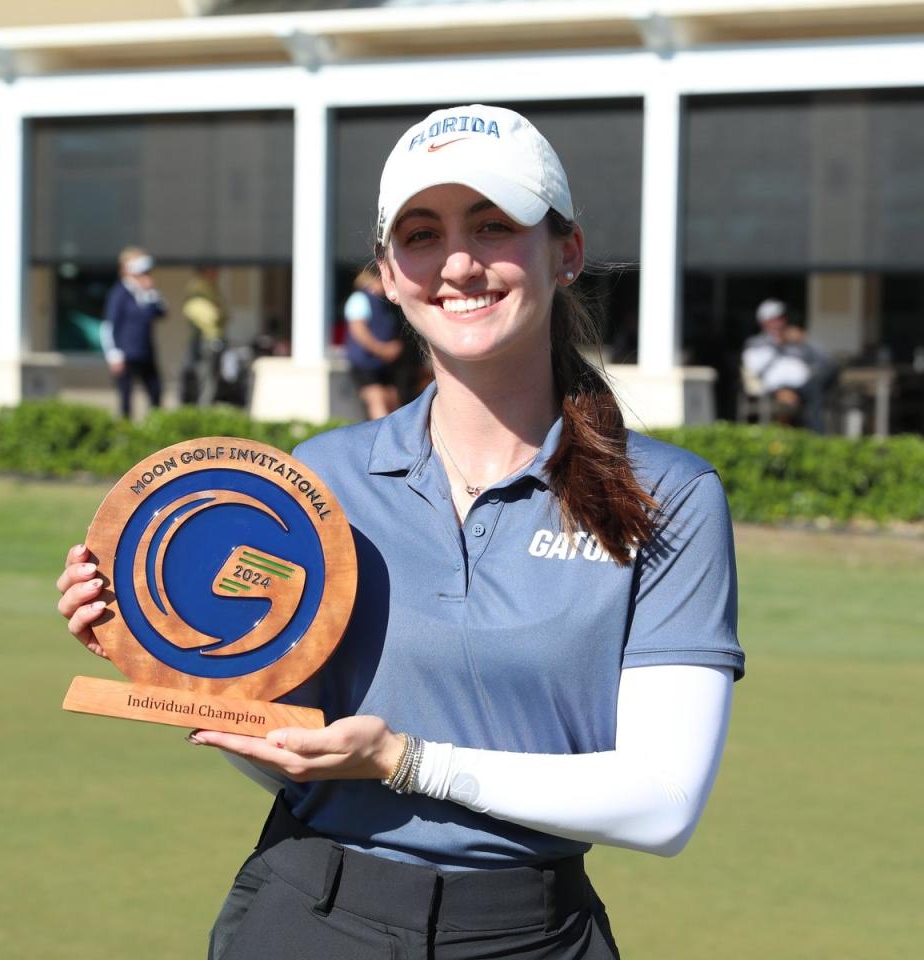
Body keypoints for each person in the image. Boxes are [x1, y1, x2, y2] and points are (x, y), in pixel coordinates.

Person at [58, 104, 745, 960]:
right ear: (387, 272)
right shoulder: (316, 480)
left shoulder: (667, 495)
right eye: (421, 235)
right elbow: (294, 751)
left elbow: (663, 802)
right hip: (307, 911)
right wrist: (165, 657)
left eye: (493, 226)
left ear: (565, 252)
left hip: (529, 935)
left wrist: (408, 760)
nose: (458, 262)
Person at [742, 298, 835, 430]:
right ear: (764, 322)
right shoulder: (756, 343)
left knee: (825, 378)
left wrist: (805, 340)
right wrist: (777, 345)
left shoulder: (796, 342)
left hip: (806, 384)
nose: (781, 322)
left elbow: (825, 360)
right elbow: (757, 372)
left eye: (782, 318)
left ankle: (815, 436)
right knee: (812, 395)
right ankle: (815, 435)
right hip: (775, 389)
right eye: (776, 319)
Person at [101, 247, 167, 418]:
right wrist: (114, 355)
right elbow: (108, 326)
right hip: (126, 354)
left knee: (155, 392)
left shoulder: (146, 293)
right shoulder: (120, 293)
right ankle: (125, 432)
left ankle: (155, 427)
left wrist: (150, 293)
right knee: (126, 398)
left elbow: (161, 312)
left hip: (145, 352)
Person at [343, 263, 404, 419]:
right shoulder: (359, 299)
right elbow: (358, 331)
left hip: (384, 364)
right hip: (365, 363)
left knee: (392, 400)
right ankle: (383, 441)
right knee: (376, 400)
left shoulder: (386, 304)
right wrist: (381, 349)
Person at [180, 265, 228, 406]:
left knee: (211, 378)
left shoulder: (211, 287)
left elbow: (225, 314)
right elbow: (212, 316)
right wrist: (217, 311)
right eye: (214, 269)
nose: (217, 273)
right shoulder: (198, 289)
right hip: (205, 340)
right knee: (205, 379)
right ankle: (203, 410)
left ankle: (205, 407)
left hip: (212, 339)